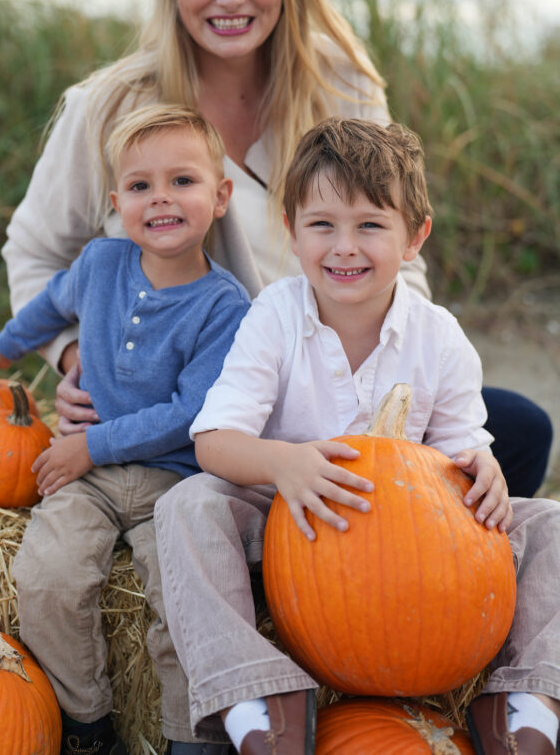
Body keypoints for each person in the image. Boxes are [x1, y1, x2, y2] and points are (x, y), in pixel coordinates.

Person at [1, 0, 551, 503]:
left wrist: (396, 380)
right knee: (199, 502)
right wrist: (77, 358)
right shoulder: (107, 105)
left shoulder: (342, 85)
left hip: (321, 373)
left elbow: (393, 239)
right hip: (187, 400)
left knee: (517, 432)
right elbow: (35, 254)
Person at [153, 118, 560, 755]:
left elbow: (463, 447)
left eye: (370, 225)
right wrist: (282, 463)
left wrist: (485, 469)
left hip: (408, 540)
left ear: (413, 237)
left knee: (553, 523)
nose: (344, 247)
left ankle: (525, 701)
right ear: (290, 232)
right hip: (292, 520)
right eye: (322, 225)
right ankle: (253, 699)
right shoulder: (276, 316)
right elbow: (214, 440)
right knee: (185, 506)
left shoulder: (439, 335)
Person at [0, 104, 251, 755]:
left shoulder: (224, 306)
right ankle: (84, 723)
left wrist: (89, 443)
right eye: (141, 186)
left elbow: (189, 410)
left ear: (220, 195)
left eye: (183, 181)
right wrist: (1, 351)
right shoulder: (99, 265)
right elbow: (48, 305)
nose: (161, 198)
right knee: (48, 574)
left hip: (174, 480)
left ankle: (190, 734)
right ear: (116, 201)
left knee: (184, 597)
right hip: (87, 479)